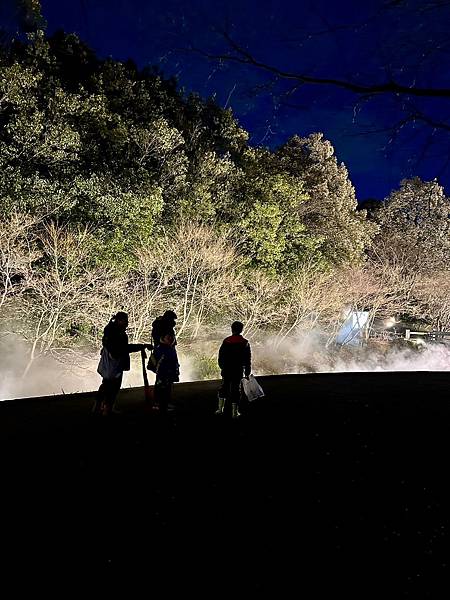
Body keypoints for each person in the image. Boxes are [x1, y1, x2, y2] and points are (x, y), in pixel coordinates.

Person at [93, 312, 151, 416]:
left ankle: (100, 406)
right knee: (112, 387)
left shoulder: (110, 331)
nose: (127, 323)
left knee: (106, 385)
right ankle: (107, 408)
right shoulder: (116, 333)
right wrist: (141, 346)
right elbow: (123, 348)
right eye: (125, 321)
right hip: (114, 364)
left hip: (110, 363)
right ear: (119, 320)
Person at [216, 321, 251, 419]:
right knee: (236, 389)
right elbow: (247, 359)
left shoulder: (226, 341)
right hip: (238, 370)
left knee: (224, 387)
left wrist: (222, 366)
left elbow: (221, 356)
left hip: (226, 369)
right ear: (241, 330)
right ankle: (235, 413)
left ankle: (220, 409)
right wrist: (247, 372)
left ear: (232, 329)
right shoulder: (245, 343)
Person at [153, 331, 180, 414]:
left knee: (166, 388)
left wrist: (175, 369)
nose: (170, 339)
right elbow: (160, 363)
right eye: (168, 337)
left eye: (171, 337)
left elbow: (174, 360)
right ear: (163, 338)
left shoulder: (169, 348)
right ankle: (160, 405)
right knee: (162, 389)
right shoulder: (161, 349)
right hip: (163, 373)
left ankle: (163, 404)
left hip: (168, 372)